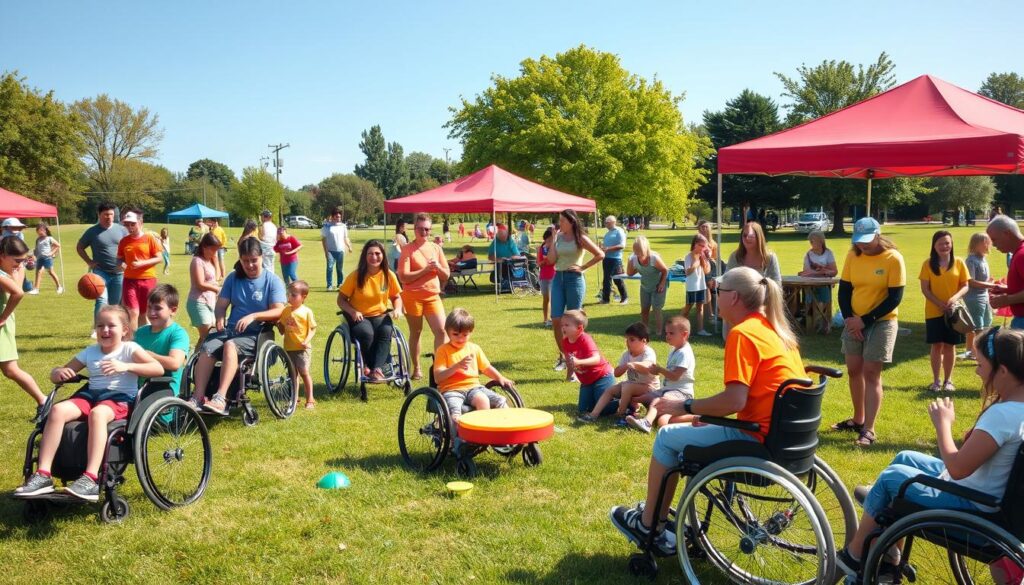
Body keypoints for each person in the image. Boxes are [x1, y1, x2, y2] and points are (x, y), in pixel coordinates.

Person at [609, 266, 806, 555]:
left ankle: (649, 523)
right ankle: (657, 518)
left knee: (666, 437)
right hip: (785, 439)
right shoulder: (777, 332)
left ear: (734, 298)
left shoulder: (743, 334)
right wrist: (704, 414)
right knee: (683, 432)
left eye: (719, 290)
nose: (715, 294)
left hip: (755, 440)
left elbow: (734, 401)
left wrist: (685, 405)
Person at [836, 327, 1024, 579]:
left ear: (1002, 371)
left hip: (974, 508)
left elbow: (957, 469)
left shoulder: (1002, 415)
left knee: (893, 477)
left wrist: (943, 426)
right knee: (905, 457)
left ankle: (855, 555)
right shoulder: (1016, 410)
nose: (977, 371)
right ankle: (891, 555)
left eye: (980, 365)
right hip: (989, 495)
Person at [13, 305, 162, 501]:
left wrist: (126, 366)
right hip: (92, 395)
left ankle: (90, 479)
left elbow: (157, 368)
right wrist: (58, 373)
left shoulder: (129, 348)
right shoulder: (90, 352)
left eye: (111, 326)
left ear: (125, 330)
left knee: (98, 414)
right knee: (57, 410)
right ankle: (43, 474)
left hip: (120, 398)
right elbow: (58, 374)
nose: (105, 330)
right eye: (100, 326)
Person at [189, 238, 287, 414]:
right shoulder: (233, 278)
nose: (249, 265)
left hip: (257, 334)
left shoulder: (272, 281)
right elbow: (221, 305)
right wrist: (219, 317)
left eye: (253, 260)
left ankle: (220, 397)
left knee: (230, 345)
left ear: (261, 257)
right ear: (240, 259)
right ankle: (198, 396)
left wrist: (254, 316)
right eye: (245, 261)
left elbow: (279, 311)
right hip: (231, 331)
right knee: (208, 347)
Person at [833, 217, 906, 448]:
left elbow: (895, 298)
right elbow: (844, 290)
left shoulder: (893, 258)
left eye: (867, 240)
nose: (863, 245)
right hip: (854, 320)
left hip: (882, 322)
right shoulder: (853, 255)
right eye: (859, 241)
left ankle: (869, 429)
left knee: (871, 372)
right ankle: (858, 419)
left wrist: (865, 321)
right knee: (854, 369)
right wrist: (850, 320)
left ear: (878, 235)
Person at [433, 308, 515, 423]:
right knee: (455, 413)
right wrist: (456, 367)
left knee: (495, 400)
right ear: (447, 331)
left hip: (473, 387)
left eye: (465, 335)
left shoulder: (474, 348)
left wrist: (500, 378)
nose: (460, 338)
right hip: (452, 389)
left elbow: (486, 368)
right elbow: (438, 377)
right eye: (455, 334)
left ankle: (504, 429)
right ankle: (457, 438)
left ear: (471, 332)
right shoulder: (443, 350)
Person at [338, 240, 404, 381]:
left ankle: (377, 369)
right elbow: (341, 300)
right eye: (370, 254)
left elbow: (396, 296)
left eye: (377, 253)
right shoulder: (356, 276)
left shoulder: (388, 275)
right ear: (365, 256)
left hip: (379, 314)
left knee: (386, 331)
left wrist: (398, 308)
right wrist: (353, 312)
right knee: (366, 333)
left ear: (383, 256)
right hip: (359, 315)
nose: (374, 257)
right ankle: (370, 365)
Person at [549, 209, 605, 372]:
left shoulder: (580, 238)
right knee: (556, 320)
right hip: (558, 278)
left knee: (574, 322)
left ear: (571, 222)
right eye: (559, 220)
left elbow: (600, 254)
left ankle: (580, 359)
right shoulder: (558, 238)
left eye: (563, 221)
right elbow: (552, 260)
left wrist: (582, 267)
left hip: (574, 280)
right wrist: (553, 241)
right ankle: (565, 358)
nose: (560, 224)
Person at [397, 213, 450, 380]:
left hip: (432, 296)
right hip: (412, 296)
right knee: (416, 331)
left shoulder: (436, 248)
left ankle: (439, 367)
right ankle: (417, 368)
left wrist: (437, 269)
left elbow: (446, 274)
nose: (424, 232)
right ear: (414, 229)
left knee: (442, 330)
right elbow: (403, 276)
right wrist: (425, 270)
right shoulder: (407, 249)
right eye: (420, 229)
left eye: (427, 229)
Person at [0, 236, 46, 417]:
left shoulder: (8, 271)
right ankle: (43, 400)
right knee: (10, 370)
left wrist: (3, 317)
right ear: (2, 255)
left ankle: (43, 400)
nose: (21, 264)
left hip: (2, 326)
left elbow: (18, 293)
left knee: (10, 369)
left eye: (23, 260)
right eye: (17, 260)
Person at [577, 322, 658, 424]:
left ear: (644, 341)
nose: (628, 342)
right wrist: (625, 366)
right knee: (610, 390)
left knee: (627, 386)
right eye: (627, 339)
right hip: (631, 385)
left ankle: (621, 414)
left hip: (649, 387)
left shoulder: (648, 352)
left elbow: (648, 367)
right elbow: (616, 373)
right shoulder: (626, 354)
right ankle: (593, 415)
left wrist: (633, 364)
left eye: (632, 340)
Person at [626, 316, 696, 433]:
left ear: (684, 335)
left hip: (681, 393)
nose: (667, 336)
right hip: (668, 390)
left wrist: (660, 370)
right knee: (638, 398)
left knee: (658, 406)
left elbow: (675, 376)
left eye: (671, 333)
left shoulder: (685, 353)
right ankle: (631, 413)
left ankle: (647, 423)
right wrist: (655, 370)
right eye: (666, 333)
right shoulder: (674, 349)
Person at [919, 230, 968, 392]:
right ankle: (936, 381)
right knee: (936, 346)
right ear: (934, 246)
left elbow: (965, 285)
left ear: (952, 244)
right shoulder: (927, 264)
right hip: (934, 311)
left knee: (950, 345)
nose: (944, 246)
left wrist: (954, 299)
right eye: (940, 243)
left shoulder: (959, 262)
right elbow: (925, 289)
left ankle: (948, 381)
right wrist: (939, 303)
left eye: (947, 243)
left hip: (953, 312)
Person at [77, 202, 128, 327]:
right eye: (105, 214)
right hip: (100, 272)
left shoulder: (122, 230)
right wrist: (89, 261)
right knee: (101, 300)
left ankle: (113, 327)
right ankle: (97, 328)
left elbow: (130, 248)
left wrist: (126, 263)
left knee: (114, 304)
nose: (109, 217)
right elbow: (80, 247)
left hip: (119, 273)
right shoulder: (92, 231)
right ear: (99, 215)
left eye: (111, 214)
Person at [134, 284, 189, 396]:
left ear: (173, 310)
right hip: (137, 387)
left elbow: (175, 363)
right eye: (149, 307)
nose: (152, 313)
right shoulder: (140, 332)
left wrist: (148, 355)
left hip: (164, 389)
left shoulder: (177, 333)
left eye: (158, 308)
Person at [560, 309, 616, 412]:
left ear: (579, 328)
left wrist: (579, 362)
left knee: (606, 409)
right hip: (587, 381)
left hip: (602, 376)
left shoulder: (585, 339)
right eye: (562, 325)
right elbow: (570, 360)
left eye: (567, 325)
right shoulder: (566, 341)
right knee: (584, 409)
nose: (563, 327)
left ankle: (626, 401)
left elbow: (596, 359)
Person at [116, 210, 163, 332]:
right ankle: (132, 342)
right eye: (127, 224)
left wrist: (142, 263)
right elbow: (119, 259)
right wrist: (121, 265)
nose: (129, 227)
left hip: (148, 280)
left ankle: (143, 342)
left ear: (140, 223)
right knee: (132, 312)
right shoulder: (124, 241)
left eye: (132, 224)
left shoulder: (149, 238)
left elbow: (159, 258)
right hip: (129, 280)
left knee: (145, 312)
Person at [278, 280, 317, 409]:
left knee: (304, 372)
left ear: (303, 297)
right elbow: (282, 328)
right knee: (292, 374)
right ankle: (294, 397)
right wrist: (278, 325)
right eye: (289, 294)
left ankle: (310, 398)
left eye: (294, 295)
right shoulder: (285, 311)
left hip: (302, 348)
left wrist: (306, 340)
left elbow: (312, 328)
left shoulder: (306, 312)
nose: (290, 297)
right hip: (289, 348)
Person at [986, 215, 1024, 329]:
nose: (993, 245)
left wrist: (1007, 299)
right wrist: (1007, 289)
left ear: (1007, 233)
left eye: (994, 239)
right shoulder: (1018, 253)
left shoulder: (1022, 255)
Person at [627, 235, 669, 338]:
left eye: (641, 253)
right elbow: (630, 273)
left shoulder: (654, 258)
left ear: (646, 249)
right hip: (645, 286)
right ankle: (645, 330)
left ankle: (659, 331)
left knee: (656, 308)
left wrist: (662, 283)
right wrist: (630, 263)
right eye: (636, 252)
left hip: (658, 285)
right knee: (644, 309)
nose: (639, 255)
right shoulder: (633, 258)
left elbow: (665, 270)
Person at [799, 230, 838, 333]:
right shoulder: (808, 255)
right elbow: (805, 272)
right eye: (810, 241)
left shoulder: (828, 253)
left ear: (820, 241)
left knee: (825, 299)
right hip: (810, 283)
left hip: (824, 284)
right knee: (808, 300)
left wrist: (823, 270)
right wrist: (816, 272)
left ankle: (826, 324)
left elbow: (834, 272)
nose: (811, 243)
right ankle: (810, 325)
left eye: (813, 241)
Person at [964, 233, 995, 359]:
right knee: (978, 326)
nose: (989, 245)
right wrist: (989, 285)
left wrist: (990, 283)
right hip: (974, 298)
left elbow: (983, 280)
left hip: (984, 296)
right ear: (977, 244)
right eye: (986, 242)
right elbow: (971, 281)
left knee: (987, 322)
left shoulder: (983, 259)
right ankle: (975, 353)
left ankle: (974, 351)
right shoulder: (971, 260)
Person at [187, 233, 222, 346]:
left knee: (206, 337)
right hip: (198, 302)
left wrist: (215, 259)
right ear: (204, 247)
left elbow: (217, 277)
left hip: (210, 302)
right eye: (213, 249)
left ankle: (194, 361)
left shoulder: (210, 260)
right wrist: (216, 289)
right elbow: (200, 284)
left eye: (217, 250)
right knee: (207, 336)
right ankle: (199, 362)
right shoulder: (197, 261)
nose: (214, 252)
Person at [682, 234, 713, 337]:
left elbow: (706, 271)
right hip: (692, 286)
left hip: (701, 285)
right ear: (695, 244)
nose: (703, 248)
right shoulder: (688, 256)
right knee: (687, 309)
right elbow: (687, 272)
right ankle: (680, 327)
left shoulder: (702, 256)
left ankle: (700, 330)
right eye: (701, 245)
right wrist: (696, 263)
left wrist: (705, 261)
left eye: (704, 246)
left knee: (700, 308)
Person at [321, 207, 353, 290]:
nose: (338, 218)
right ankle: (329, 285)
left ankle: (340, 284)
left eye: (339, 217)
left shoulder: (343, 226)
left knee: (339, 268)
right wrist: (326, 251)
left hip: (340, 250)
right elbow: (324, 239)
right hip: (330, 251)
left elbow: (345, 237)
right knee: (330, 267)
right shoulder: (327, 226)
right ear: (332, 216)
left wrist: (349, 246)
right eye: (336, 216)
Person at [600, 215, 629, 305]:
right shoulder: (608, 233)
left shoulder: (619, 231)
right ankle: (605, 299)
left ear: (613, 222)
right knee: (606, 279)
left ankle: (624, 298)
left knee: (618, 279)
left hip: (615, 259)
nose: (605, 224)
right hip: (606, 258)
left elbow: (622, 245)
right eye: (605, 222)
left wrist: (608, 249)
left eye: (607, 222)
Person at [3, 218, 35, 294]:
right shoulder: (3, 238)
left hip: (18, 262)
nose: (16, 229)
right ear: (7, 227)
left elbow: (22, 248)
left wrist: (28, 257)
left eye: (17, 227)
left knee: (18, 281)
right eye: (13, 227)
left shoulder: (20, 235)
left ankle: (25, 286)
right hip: (8, 262)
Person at [696, 220, 719, 328]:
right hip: (698, 268)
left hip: (710, 269)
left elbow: (715, 260)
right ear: (698, 228)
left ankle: (711, 314)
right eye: (702, 227)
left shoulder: (713, 243)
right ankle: (709, 315)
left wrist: (709, 258)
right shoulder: (696, 241)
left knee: (709, 286)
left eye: (706, 227)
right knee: (706, 287)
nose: (704, 229)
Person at [487, 223, 522, 288]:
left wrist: (512, 257)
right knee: (498, 270)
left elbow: (518, 255)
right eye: (501, 238)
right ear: (498, 237)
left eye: (504, 238)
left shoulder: (510, 242)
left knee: (506, 270)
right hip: (499, 265)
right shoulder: (495, 242)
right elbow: (490, 256)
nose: (503, 240)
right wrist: (498, 259)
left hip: (510, 265)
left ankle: (506, 284)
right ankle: (502, 283)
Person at [32, 222, 63, 294]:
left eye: (41, 230)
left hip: (47, 258)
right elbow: (36, 250)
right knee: (38, 272)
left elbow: (58, 245)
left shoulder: (49, 238)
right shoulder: (38, 240)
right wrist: (34, 256)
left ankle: (59, 287)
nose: (39, 232)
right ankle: (36, 289)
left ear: (45, 230)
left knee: (51, 272)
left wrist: (52, 253)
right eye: (38, 231)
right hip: (40, 258)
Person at [538, 227, 556, 327]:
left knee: (554, 299)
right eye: (548, 240)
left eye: (551, 240)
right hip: (544, 276)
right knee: (546, 299)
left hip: (554, 275)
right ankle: (545, 319)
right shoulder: (542, 249)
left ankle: (554, 318)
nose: (549, 242)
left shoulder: (556, 248)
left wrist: (547, 260)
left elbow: (552, 261)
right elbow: (540, 263)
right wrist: (545, 261)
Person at [258, 210, 277, 274]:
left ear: (264, 217)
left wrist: (258, 236)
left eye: (262, 216)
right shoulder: (274, 226)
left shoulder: (263, 225)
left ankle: (269, 282)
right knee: (271, 267)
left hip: (265, 248)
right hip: (273, 248)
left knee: (266, 268)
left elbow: (262, 237)